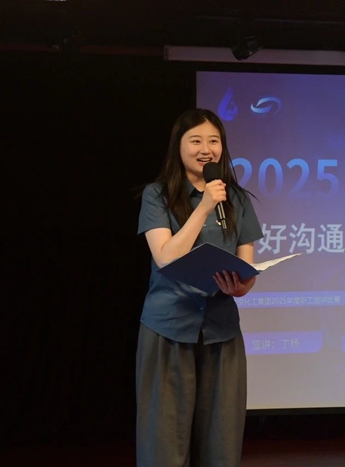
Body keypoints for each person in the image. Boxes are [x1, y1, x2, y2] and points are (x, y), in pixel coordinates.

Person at [136, 108, 263, 466]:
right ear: (178, 147)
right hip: (168, 328)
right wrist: (203, 207)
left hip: (221, 330)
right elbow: (165, 257)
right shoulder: (157, 195)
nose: (206, 149)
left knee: (221, 438)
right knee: (164, 438)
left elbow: (247, 266)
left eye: (213, 141)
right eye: (195, 141)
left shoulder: (236, 199)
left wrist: (242, 286)